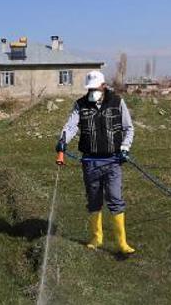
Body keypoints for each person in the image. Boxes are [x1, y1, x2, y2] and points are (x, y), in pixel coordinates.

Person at [55, 70, 136, 255]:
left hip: (113, 161)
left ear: (103, 86)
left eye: (95, 87)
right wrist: (62, 141)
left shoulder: (117, 102)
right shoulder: (81, 105)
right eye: (89, 88)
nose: (92, 91)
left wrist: (124, 148)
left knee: (115, 199)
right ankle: (96, 238)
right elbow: (71, 126)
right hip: (90, 162)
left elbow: (128, 128)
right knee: (94, 201)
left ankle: (121, 243)